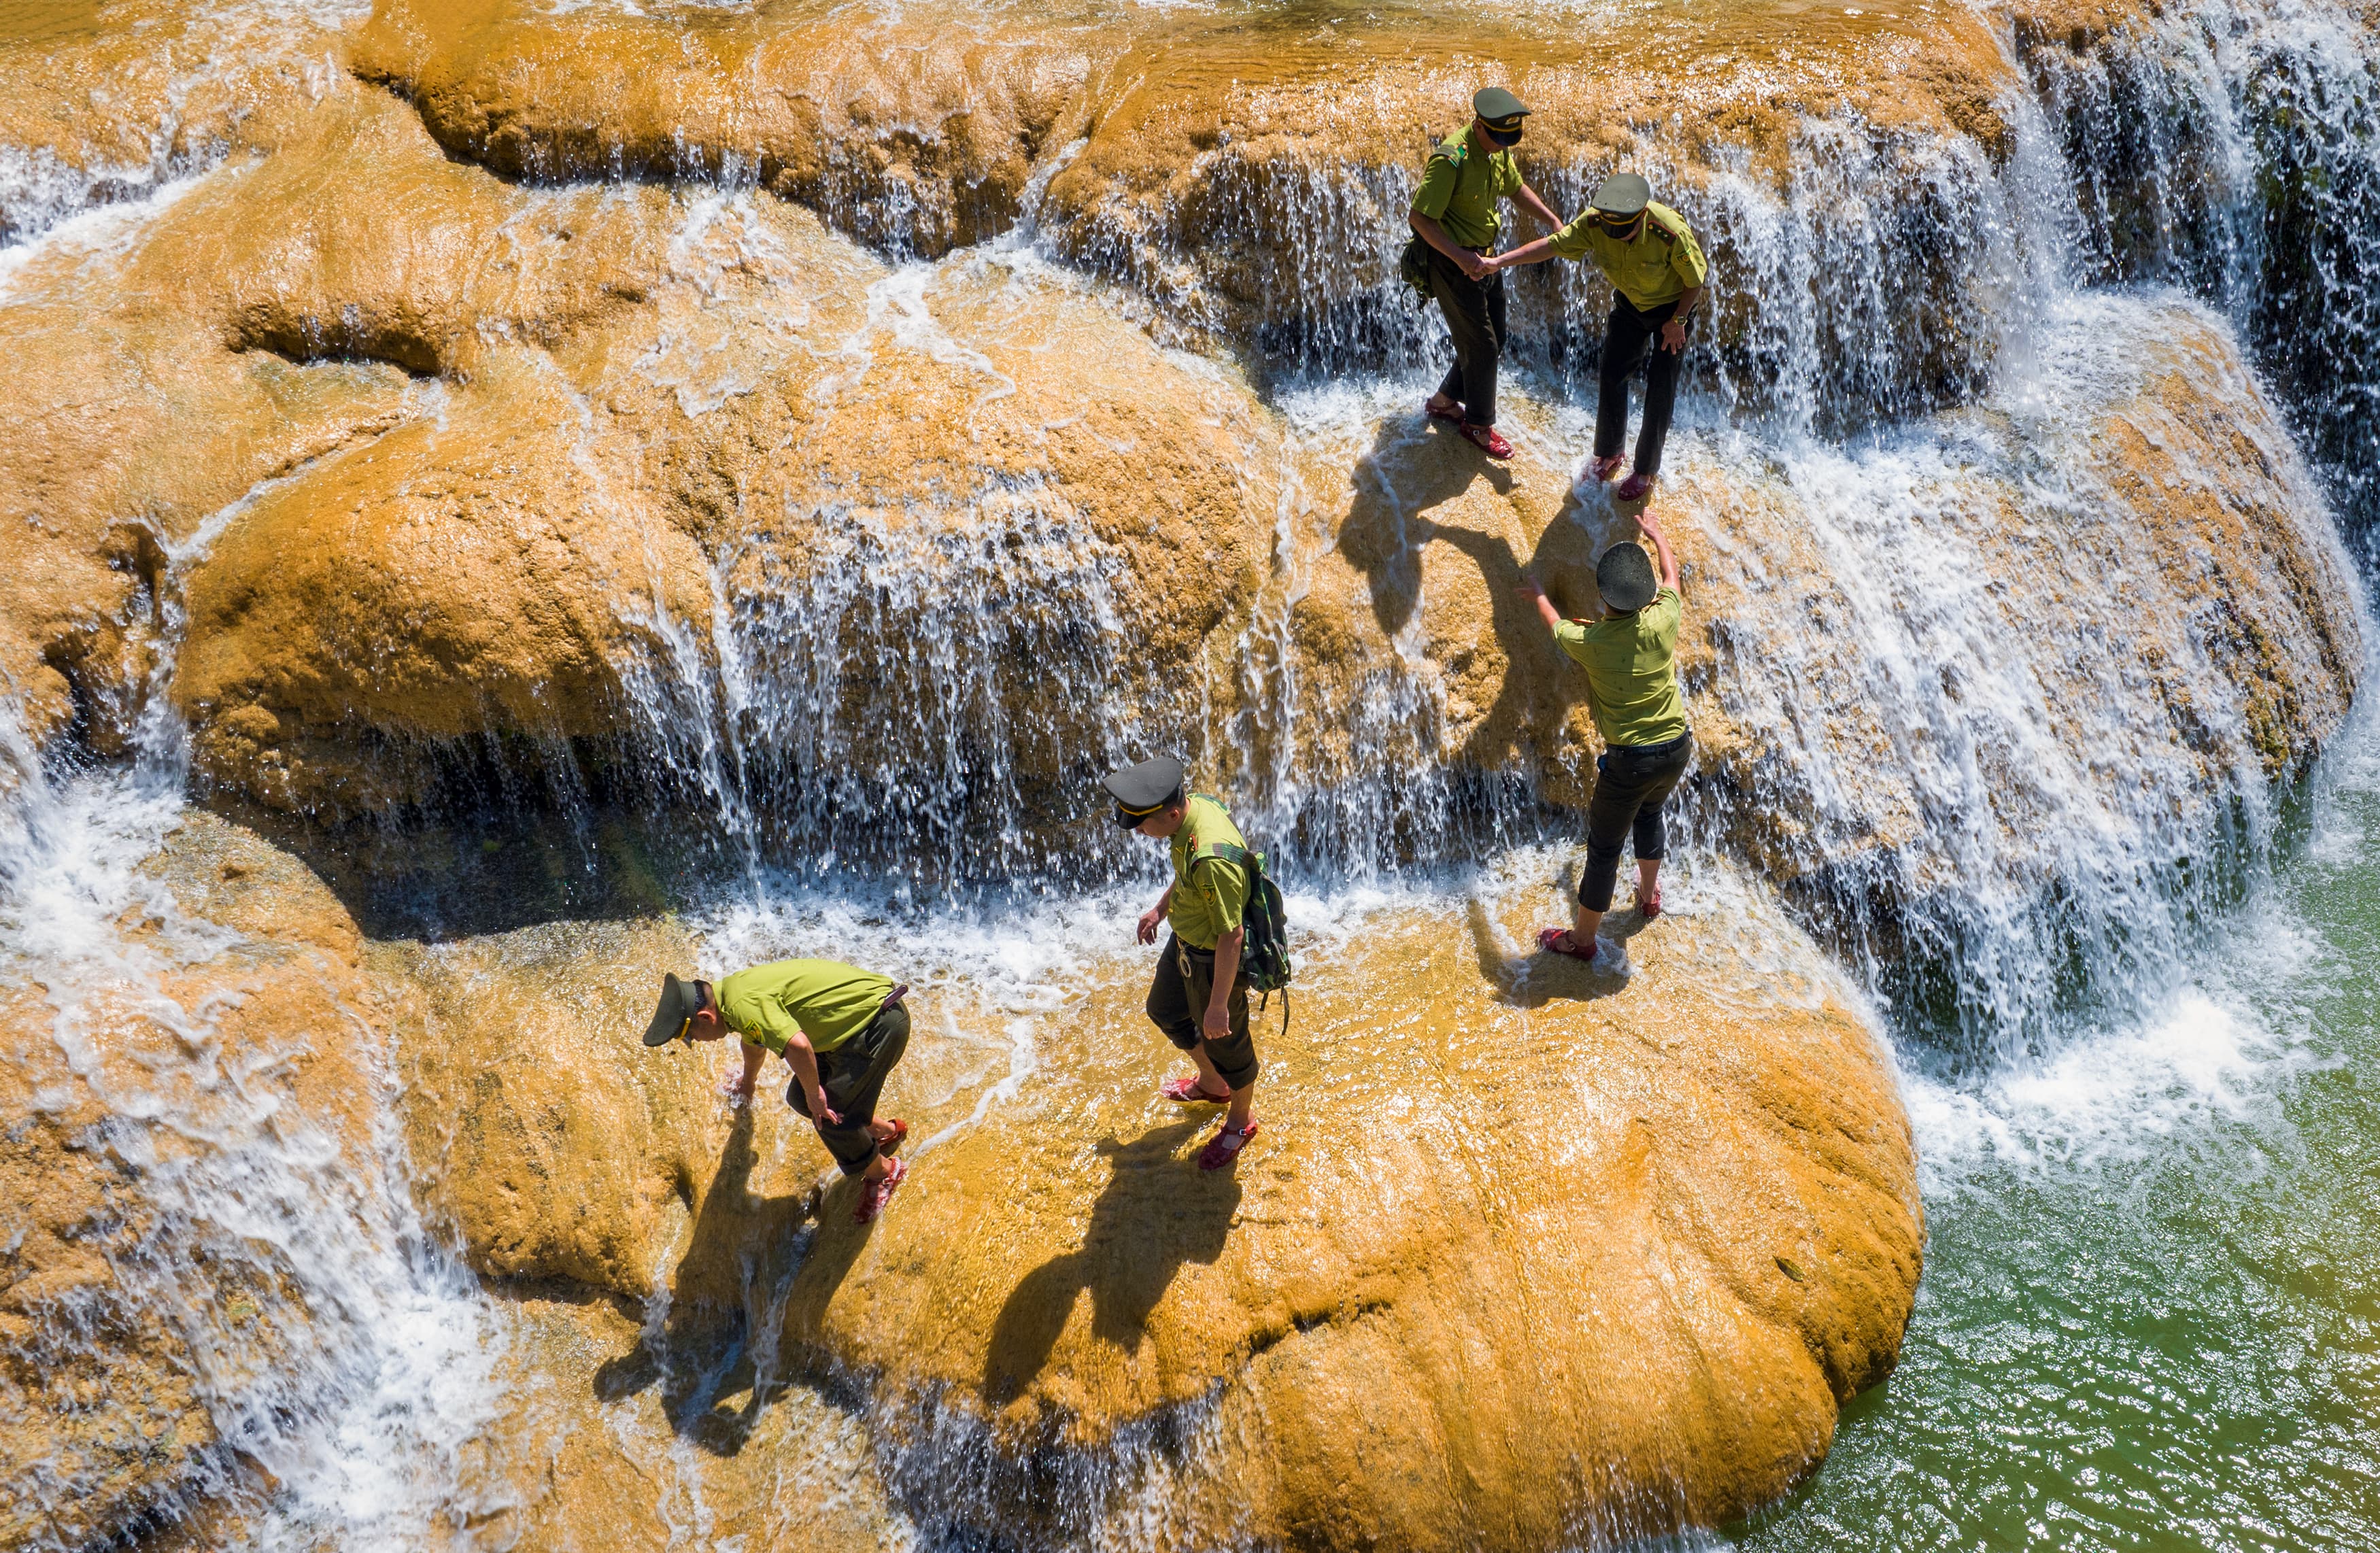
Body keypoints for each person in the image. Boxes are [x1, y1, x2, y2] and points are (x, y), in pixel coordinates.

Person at [1514, 509, 1693, 965]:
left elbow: (1556, 626)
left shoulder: (1592, 643)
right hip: (1675, 747)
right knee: (1651, 814)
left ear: (1604, 600)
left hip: (1630, 760)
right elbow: (1672, 575)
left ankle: (1583, 939)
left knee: (1604, 848)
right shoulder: (1663, 619)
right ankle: (1649, 897)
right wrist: (1658, 534)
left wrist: (1537, 593)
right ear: (1645, 597)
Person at [643, 959, 912, 1223]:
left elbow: (799, 1046)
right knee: (798, 1097)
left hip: (878, 1025)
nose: (697, 1042)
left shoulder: (742, 1005)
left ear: (705, 1017)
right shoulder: (732, 995)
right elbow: (754, 1045)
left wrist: (816, 1096)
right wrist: (748, 1084)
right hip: (855, 1026)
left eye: (690, 1036)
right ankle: (883, 1131)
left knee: (831, 1118)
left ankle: (885, 1172)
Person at [1493, 171, 1707, 501]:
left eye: (1624, 231)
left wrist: (1678, 320)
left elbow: (1696, 278)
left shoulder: (1669, 231)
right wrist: (1499, 262)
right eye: (1611, 230)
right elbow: (1553, 246)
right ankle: (1609, 453)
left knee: (1661, 386)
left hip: (1672, 311)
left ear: (1642, 217)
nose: (1616, 236)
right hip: (1630, 305)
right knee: (1611, 372)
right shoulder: (1595, 223)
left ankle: (1645, 470)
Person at [1102, 755, 1263, 1171]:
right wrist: (1160, 910)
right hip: (1186, 942)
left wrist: (1218, 1004)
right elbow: (1188, 872)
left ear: (1172, 812)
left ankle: (1241, 1120)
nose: (1138, 830)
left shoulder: (1213, 858)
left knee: (1229, 1045)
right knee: (1165, 1009)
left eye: (1143, 823)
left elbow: (1233, 935)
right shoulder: (1190, 817)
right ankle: (1214, 1084)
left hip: (1215, 958)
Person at [1407, 86, 1566, 462]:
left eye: (1506, 139)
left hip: (1487, 260)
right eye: (1496, 138)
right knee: (1482, 346)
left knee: (1498, 336)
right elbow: (1419, 218)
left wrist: (1551, 219)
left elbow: (1515, 187)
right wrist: (1461, 257)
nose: (1501, 145)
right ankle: (1477, 425)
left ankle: (1445, 401)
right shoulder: (1452, 159)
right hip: (1453, 262)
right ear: (1479, 125)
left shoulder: (1498, 150)